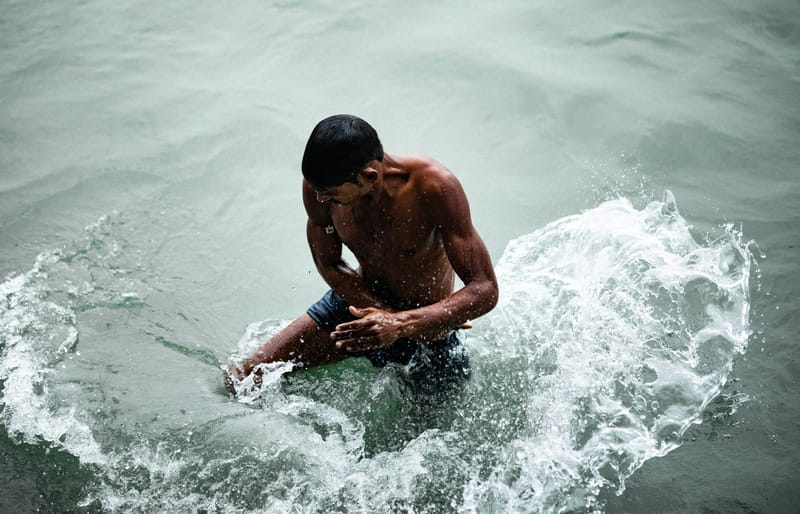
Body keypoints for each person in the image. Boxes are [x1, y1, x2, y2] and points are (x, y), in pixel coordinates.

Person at [226, 114, 498, 398]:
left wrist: (398, 323)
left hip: (426, 332)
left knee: (421, 439)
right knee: (244, 378)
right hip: (357, 307)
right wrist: (378, 314)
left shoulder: (433, 187)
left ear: (369, 176)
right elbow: (328, 263)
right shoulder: (319, 188)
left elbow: (485, 288)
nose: (320, 200)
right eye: (319, 191)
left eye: (331, 195)